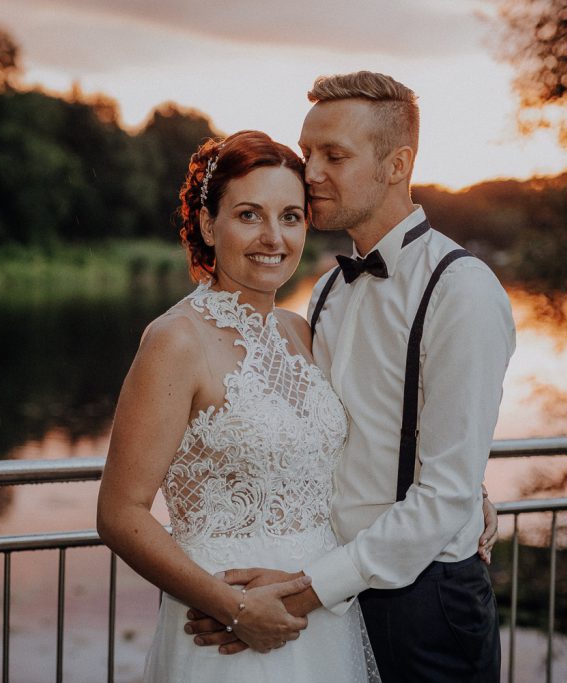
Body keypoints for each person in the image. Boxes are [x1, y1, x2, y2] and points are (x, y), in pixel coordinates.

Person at [187, 72, 516, 681]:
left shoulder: (462, 290)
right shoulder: (329, 289)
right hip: (333, 587)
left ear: (397, 165)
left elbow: (444, 491)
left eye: (333, 156)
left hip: (425, 601)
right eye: (308, 152)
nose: (310, 172)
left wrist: (310, 590)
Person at [96, 130, 379, 682]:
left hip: (318, 617)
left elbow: (371, 446)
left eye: (291, 217)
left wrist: (467, 496)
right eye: (249, 215)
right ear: (208, 225)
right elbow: (120, 513)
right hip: (224, 630)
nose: (273, 237)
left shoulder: (301, 332)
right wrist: (238, 609)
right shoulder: (176, 340)